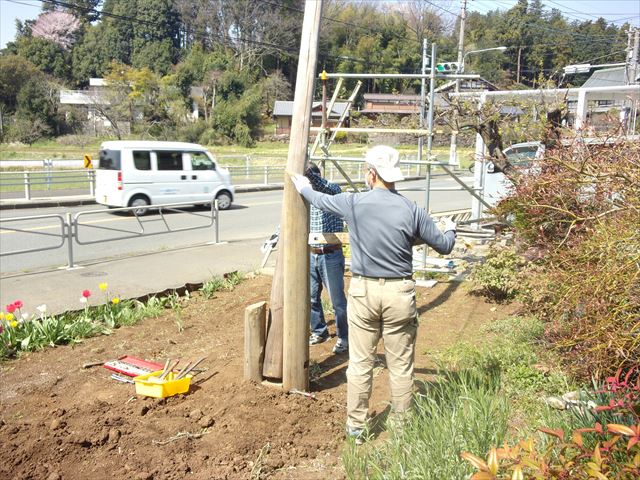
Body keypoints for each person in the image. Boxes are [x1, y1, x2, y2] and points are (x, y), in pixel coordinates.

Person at [291, 145, 457, 443]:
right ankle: (402, 427)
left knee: (360, 362)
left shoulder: (354, 203)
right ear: (391, 176)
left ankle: (356, 425)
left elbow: (320, 200)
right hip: (399, 293)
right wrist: (451, 229)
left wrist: (302, 186)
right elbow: (444, 246)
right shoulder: (412, 209)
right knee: (401, 366)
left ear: (371, 174)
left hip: (364, 292)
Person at [305, 163, 349, 354]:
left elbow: (320, 186)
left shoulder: (332, 190)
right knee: (311, 297)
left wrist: (305, 175)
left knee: (337, 301)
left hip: (330, 254)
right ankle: (319, 331)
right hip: (312, 254)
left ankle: (344, 337)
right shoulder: (305, 196)